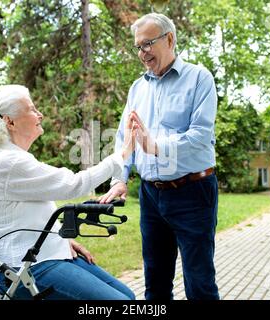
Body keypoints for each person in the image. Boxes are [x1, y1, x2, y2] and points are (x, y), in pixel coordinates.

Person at [0, 84, 136, 300]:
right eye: (31, 109)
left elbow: (29, 214)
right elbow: (74, 184)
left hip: (41, 257)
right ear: (9, 121)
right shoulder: (8, 162)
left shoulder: (13, 158)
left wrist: (62, 241)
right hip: (24, 269)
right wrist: (123, 154)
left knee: (127, 296)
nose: (40, 114)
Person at [99, 13, 219, 300]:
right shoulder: (137, 88)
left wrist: (156, 146)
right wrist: (120, 178)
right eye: (138, 47)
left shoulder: (199, 78)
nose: (143, 53)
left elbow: (200, 135)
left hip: (193, 191)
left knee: (199, 282)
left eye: (148, 44)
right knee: (155, 282)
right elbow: (123, 138)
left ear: (169, 39)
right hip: (151, 195)